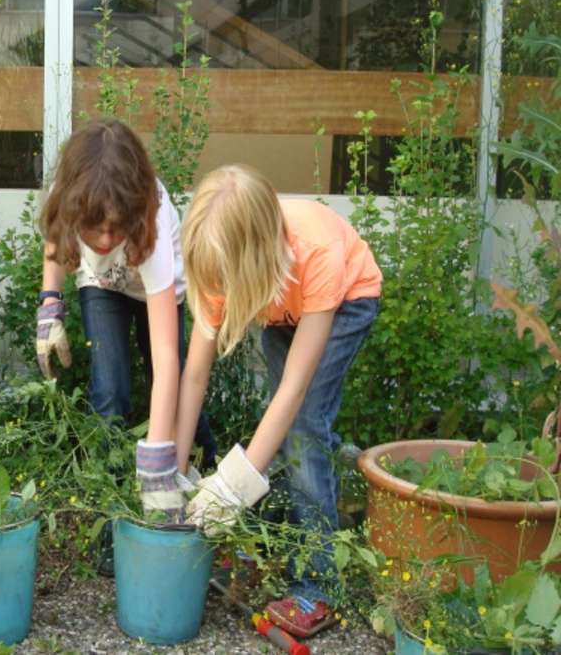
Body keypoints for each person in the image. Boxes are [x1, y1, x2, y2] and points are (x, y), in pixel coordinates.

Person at [175, 164, 381, 638]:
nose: (219, 294)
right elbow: (195, 375)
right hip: (279, 303)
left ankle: (319, 583)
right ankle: (333, 478)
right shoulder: (220, 261)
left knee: (303, 423)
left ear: (254, 259)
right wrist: (175, 467)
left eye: (226, 284)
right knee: (294, 433)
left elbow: (293, 391)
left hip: (345, 300)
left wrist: (231, 488)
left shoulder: (318, 251)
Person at [35, 119, 217, 522]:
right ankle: (111, 509)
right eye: (94, 228)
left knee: (168, 381)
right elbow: (55, 235)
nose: (102, 240)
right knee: (110, 390)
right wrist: (50, 304)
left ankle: (202, 475)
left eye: (114, 228)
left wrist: (157, 467)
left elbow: (166, 356)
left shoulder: (154, 220)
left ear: (133, 213)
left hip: (159, 289)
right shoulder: (70, 193)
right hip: (101, 284)